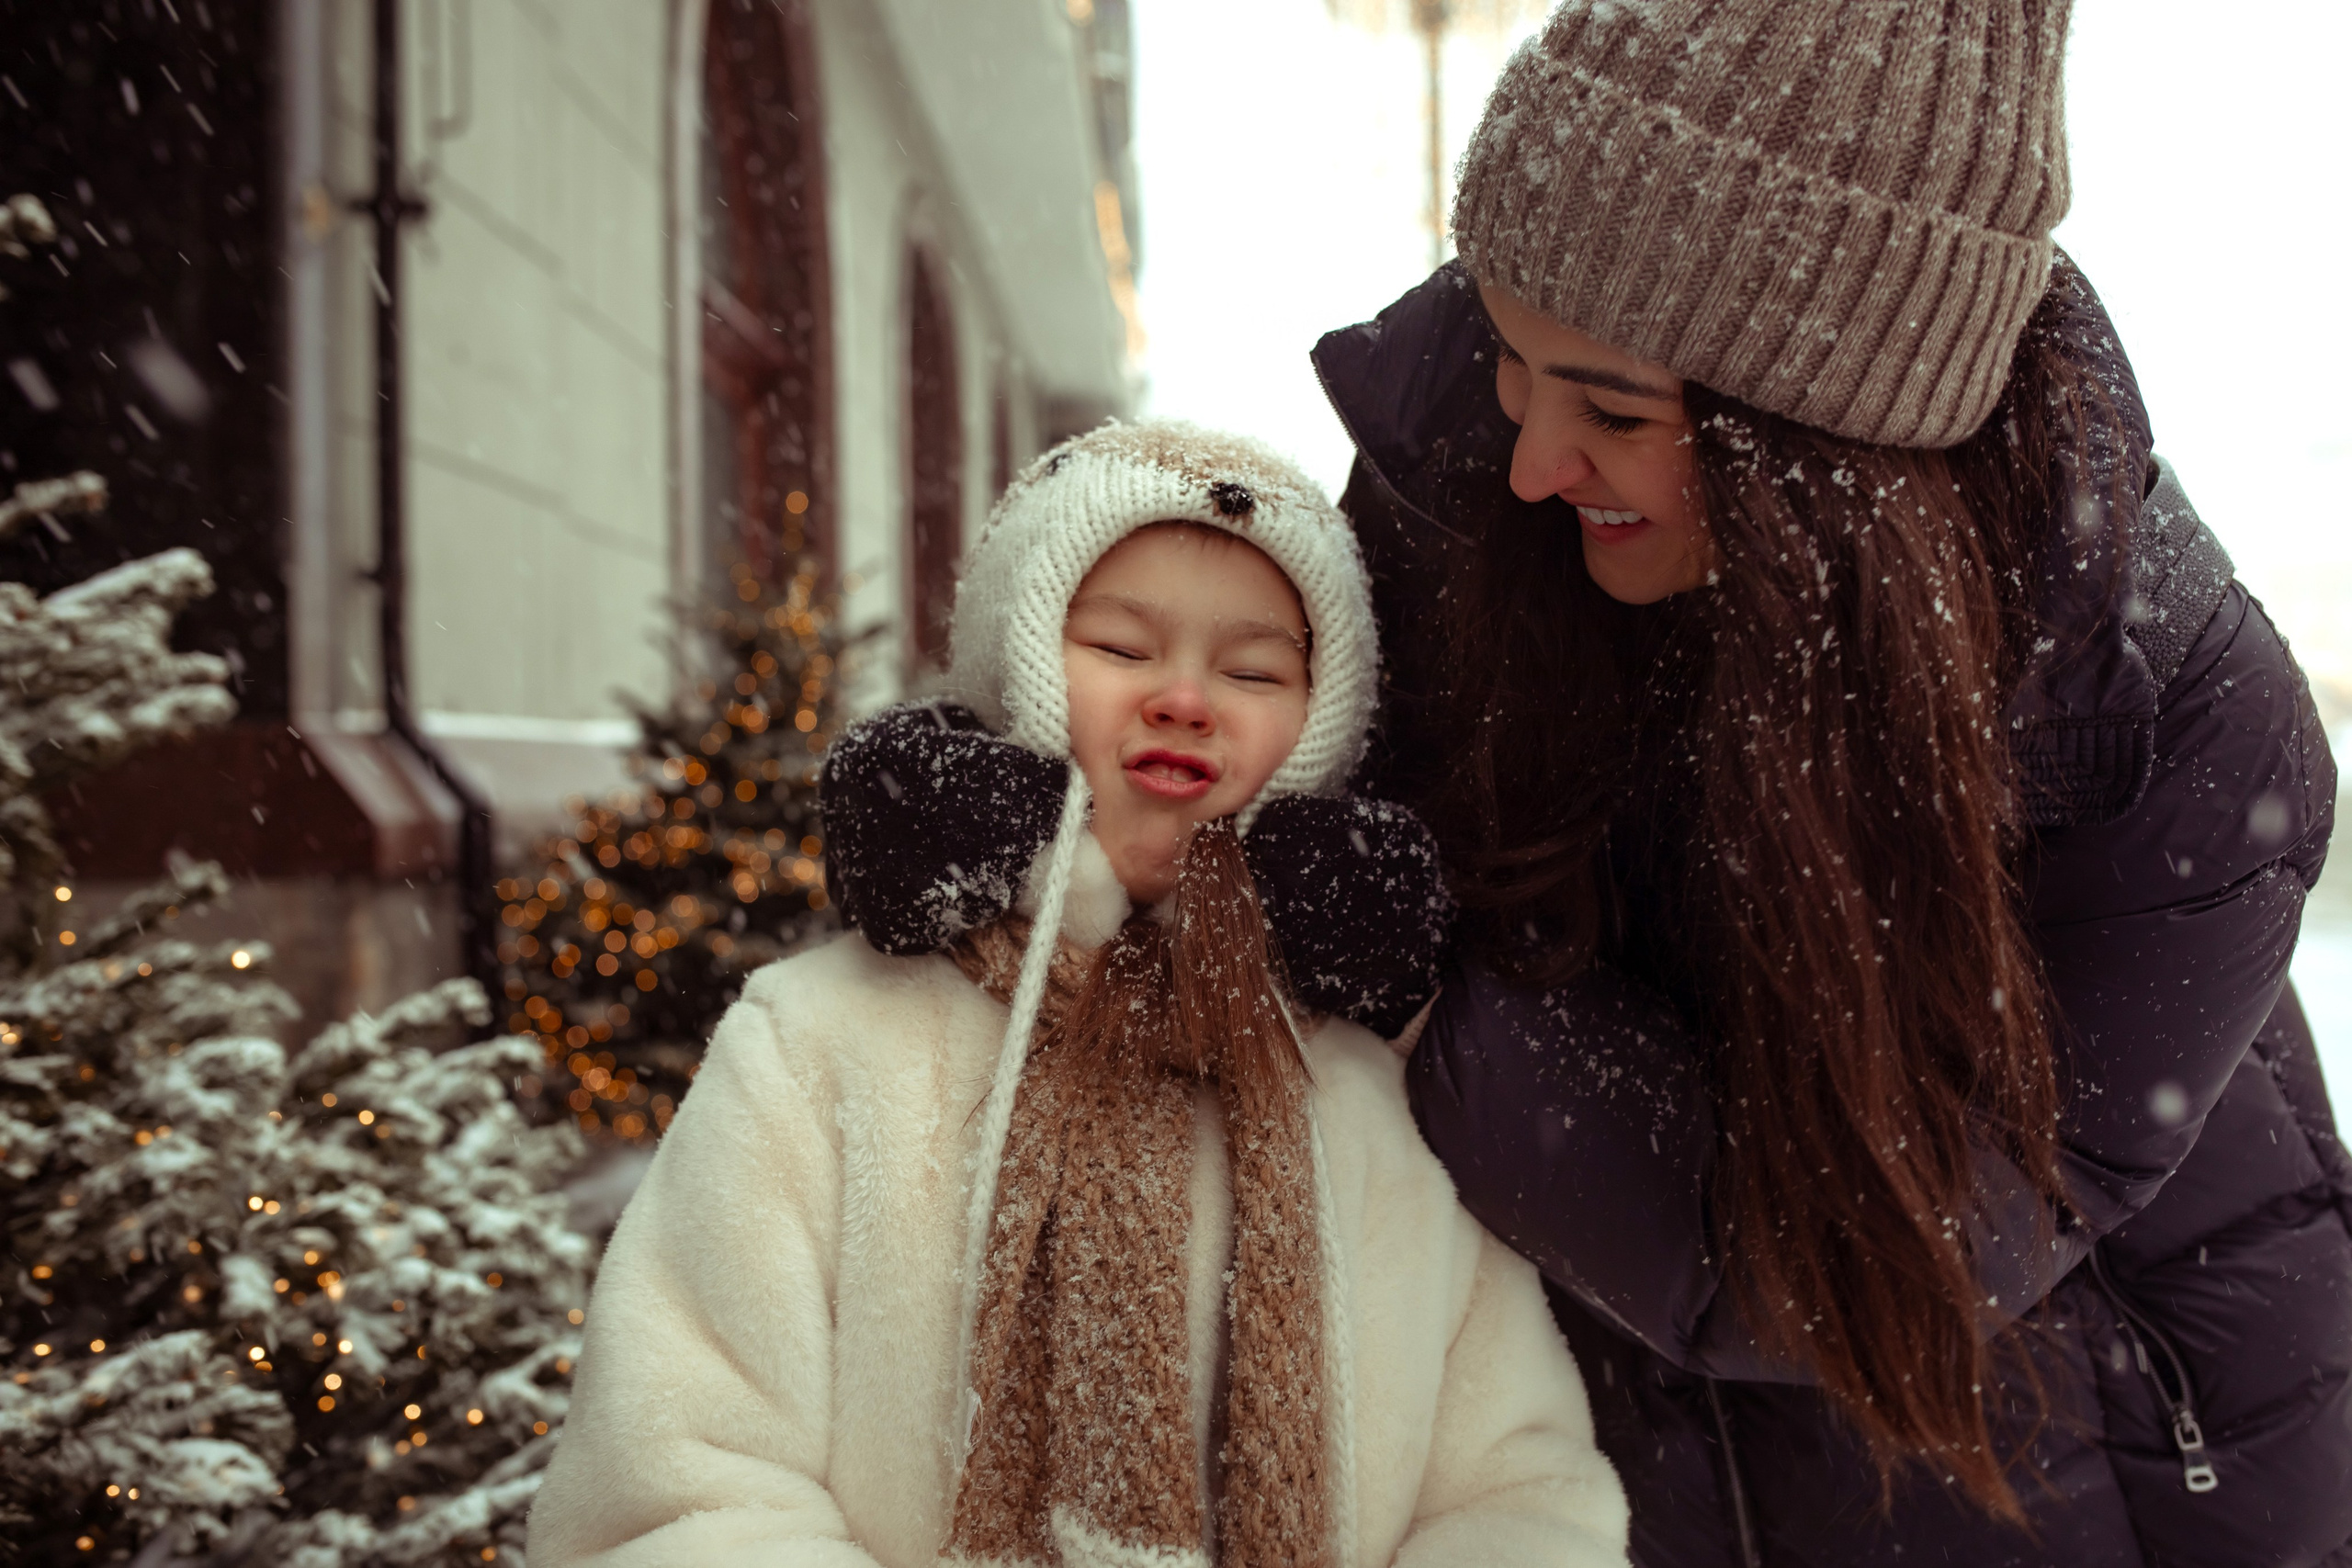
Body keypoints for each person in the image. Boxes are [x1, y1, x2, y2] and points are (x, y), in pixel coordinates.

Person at [815, 3, 2349, 1563]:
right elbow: (1276, 790)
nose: (1536, 456)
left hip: (2052, 1464)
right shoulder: (1469, 477)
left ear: (1829, 455)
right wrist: (1026, 817)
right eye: (1510, 358)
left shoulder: (2173, 732)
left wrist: (1422, 982)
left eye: (1611, 409)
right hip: (1586, 1459)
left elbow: (1842, 1260)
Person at [526, 422, 1630, 1568]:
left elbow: (1515, 1487)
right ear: (1019, 664)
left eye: (1253, 670)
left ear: (1319, 725)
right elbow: (680, 1485)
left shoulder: (1380, 1081)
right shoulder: (823, 1044)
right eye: (1119, 645)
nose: (1187, 699)